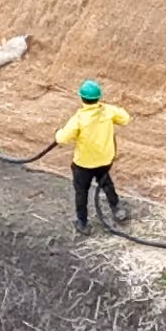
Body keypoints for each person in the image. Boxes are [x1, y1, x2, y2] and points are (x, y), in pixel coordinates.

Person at [54, 81, 129, 234]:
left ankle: (83, 223)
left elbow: (62, 139)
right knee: (106, 183)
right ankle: (117, 209)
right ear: (99, 97)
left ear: (81, 98)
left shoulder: (79, 119)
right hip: (105, 160)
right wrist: (107, 108)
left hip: (84, 164)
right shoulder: (108, 111)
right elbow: (125, 118)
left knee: (81, 192)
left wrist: (58, 133)